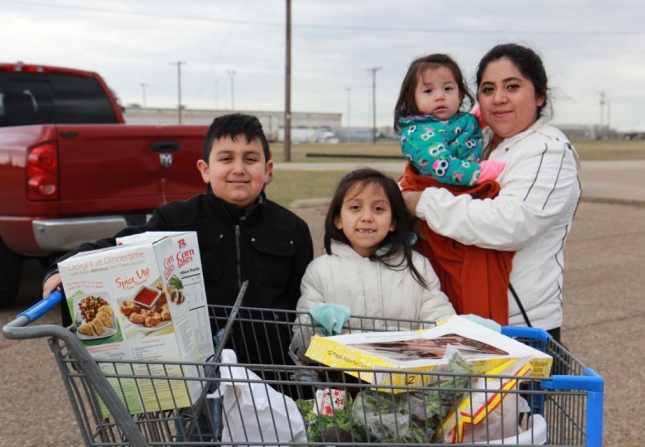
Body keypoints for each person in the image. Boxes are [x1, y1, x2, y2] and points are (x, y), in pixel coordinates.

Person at [43, 113, 314, 369]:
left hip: (272, 374)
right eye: (226, 158)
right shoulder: (176, 219)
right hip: (203, 376)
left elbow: (302, 306)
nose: (239, 169)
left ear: (267, 170)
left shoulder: (292, 230)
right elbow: (121, 245)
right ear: (205, 170)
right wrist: (64, 268)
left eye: (250, 159)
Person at [402, 44, 581, 342]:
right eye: (487, 89)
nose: (498, 98)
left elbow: (509, 223)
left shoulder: (548, 150)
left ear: (540, 94)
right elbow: (419, 178)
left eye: (512, 86)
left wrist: (423, 203)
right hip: (454, 309)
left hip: (519, 324)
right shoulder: (472, 140)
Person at [294, 168, 456, 344]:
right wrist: (315, 326)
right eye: (355, 207)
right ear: (338, 219)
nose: (367, 217)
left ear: (393, 222)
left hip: (404, 370)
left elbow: (441, 324)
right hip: (340, 371)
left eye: (378, 209)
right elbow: (302, 344)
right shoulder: (320, 270)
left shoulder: (417, 266)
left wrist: (457, 331)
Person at [394, 53, 505, 186]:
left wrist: (486, 113)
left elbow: (470, 123)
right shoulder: (416, 134)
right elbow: (442, 165)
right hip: (441, 190)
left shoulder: (460, 119)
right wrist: (479, 173)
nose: (440, 96)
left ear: (460, 95)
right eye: (428, 91)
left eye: (448, 88)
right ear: (412, 99)